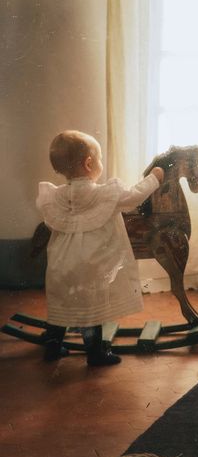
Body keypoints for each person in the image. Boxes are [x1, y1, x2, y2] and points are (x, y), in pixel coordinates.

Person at [36, 130, 164, 367]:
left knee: (61, 304)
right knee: (90, 309)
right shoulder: (106, 194)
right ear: (89, 164)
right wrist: (155, 177)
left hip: (60, 265)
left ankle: (52, 347)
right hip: (91, 266)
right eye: (100, 158)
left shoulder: (57, 197)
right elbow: (134, 196)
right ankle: (95, 354)